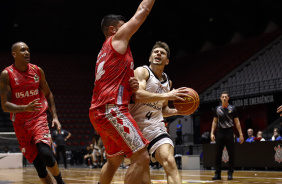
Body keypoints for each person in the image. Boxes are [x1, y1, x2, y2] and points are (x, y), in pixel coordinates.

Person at [88, 1, 156, 183]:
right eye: (122, 26)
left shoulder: (106, 50)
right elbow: (143, 10)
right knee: (141, 157)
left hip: (99, 110)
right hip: (112, 109)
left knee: (114, 160)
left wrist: (130, 84)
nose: (127, 28)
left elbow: (113, 80)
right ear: (113, 30)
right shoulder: (117, 40)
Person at [0, 42, 65, 184]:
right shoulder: (7, 74)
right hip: (20, 124)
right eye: (22, 50)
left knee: (46, 154)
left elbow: (48, 94)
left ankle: (60, 182)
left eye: (28, 50)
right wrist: (24, 108)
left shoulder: (37, 70)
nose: (27, 52)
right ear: (14, 54)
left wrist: (55, 117)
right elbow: (5, 106)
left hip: (38, 118)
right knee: (40, 168)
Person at [129, 41, 190, 183]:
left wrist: (178, 111)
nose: (158, 54)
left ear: (167, 61)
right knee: (142, 174)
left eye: (162, 53)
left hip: (156, 127)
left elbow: (163, 109)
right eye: (155, 52)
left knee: (169, 161)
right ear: (150, 58)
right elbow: (137, 95)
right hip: (136, 127)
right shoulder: (142, 72)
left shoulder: (168, 82)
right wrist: (167, 96)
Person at [210, 91, 244, 180]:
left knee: (231, 153)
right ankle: (217, 174)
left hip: (229, 132)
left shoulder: (232, 108)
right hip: (220, 132)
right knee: (218, 154)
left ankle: (230, 173)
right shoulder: (217, 109)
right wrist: (212, 133)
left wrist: (240, 134)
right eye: (222, 97)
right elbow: (214, 121)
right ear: (220, 98)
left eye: (226, 97)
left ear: (228, 98)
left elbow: (237, 122)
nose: (224, 98)